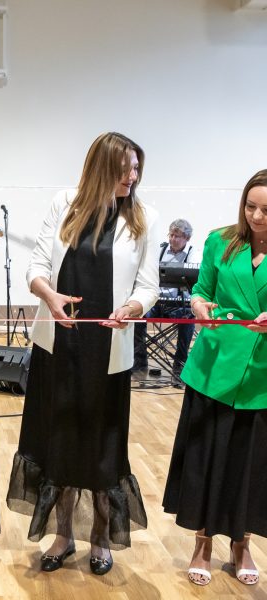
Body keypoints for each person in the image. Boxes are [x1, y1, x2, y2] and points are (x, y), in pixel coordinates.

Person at [6, 132, 160, 575]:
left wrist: (133, 308)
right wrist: (49, 296)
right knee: (59, 442)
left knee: (101, 449)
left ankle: (100, 538)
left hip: (107, 352)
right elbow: (36, 266)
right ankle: (63, 535)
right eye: (124, 169)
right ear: (100, 168)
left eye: (137, 168)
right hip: (59, 347)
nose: (133, 177)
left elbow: (148, 286)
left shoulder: (144, 217)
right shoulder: (64, 204)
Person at [162, 169, 267, 587]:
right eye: (251, 206)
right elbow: (201, 291)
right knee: (207, 458)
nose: (256, 216)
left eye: (266, 210)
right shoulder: (219, 240)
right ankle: (202, 542)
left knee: (249, 463)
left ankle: (241, 543)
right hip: (214, 366)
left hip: (260, 376)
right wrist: (199, 306)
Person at [132, 219, 202, 386]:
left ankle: (180, 366)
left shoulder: (194, 253)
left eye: (177, 236)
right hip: (157, 302)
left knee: (188, 319)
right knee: (137, 316)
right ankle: (139, 362)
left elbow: (195, 277)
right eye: (171, 235)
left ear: (187, 238)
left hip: (180, 305)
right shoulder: (160, 249)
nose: (172, 239)